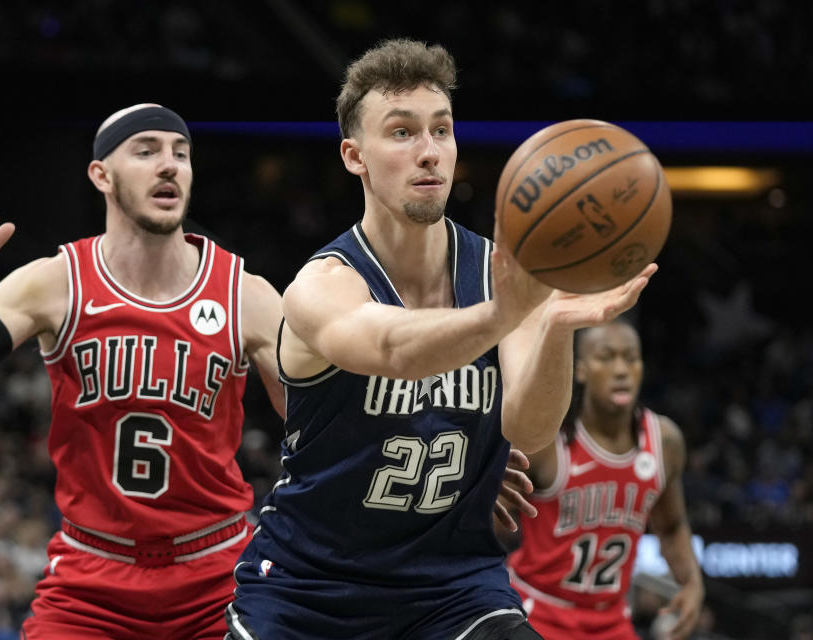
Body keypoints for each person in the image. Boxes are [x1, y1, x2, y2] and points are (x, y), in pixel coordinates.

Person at [225, 38, 657, 640]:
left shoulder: (498, 272)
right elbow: (392, 349)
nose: (429, 153)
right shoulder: (322, 284)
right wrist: (506, 311)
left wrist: (555, 326)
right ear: (355, 156)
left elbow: (529, 432)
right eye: (401, 133)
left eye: (442, 131)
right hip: (309, 589)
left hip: (451, 587)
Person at [0, 103, 288, 639]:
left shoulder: (246, 295)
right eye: (146, 151)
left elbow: (324, 427)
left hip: (217, 574)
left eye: (181, 154)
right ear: (101, 174)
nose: (169, 165)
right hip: (92, 581)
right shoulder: (55, 284)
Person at [503, 320, 704, 640]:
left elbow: (671, 526)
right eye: (606, 357)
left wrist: (692, 582)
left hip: (610, 619)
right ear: (580, 370)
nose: (621, 369)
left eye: (631, 357)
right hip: (537, 609)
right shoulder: (547, 442)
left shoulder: (664, 442)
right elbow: (493, 525)